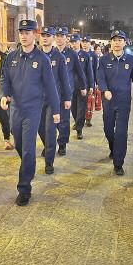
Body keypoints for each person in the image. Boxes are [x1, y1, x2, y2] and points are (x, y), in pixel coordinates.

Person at [0, 20, 60, 206]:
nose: (24, 36)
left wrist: (56, 110)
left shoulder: (42, 59)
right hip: (15, 109)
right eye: (21, 32)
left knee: (27, 148)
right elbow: (4, 79)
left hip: (33, 110)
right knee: (19, 144)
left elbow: (50, 86)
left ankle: (24, 188)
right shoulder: (11, 57)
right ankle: (29, 164)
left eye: (27, 32)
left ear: (35, 34)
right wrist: (3, 95)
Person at [98, 30, 133, 176]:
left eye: (120, 40)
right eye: (114, 40)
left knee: (121, 133)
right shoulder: (104, 60)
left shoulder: (131, 60)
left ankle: (118, 163)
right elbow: (100, 77)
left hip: (124, 102)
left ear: (125, 42)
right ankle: (113, 148)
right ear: (110, 43)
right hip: (108, 101)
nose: (117, 43)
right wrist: (105, 90)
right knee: (108, 130)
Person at [38, 27, 72, 174]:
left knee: (50, 130)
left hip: (53, 100)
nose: (45, 38)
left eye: (48, 35)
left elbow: (64, 79)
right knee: (40, 129)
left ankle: (49, 162)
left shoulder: (59, 57)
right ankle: (48, 146)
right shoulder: (35, 55)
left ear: (52, 38)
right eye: (43, 35)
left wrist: (67, 98)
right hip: (37, 100)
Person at [54, 27, 86, 155]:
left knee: (64, 120)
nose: (59, 38)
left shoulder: (72, 54)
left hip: (66, 92)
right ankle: (49, 143)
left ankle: (62, 144)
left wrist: (83, 87)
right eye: (57, 36)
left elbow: (79, 71)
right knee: (48, 121)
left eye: (62, 36)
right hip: (51, 92)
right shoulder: (50, 52)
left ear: (66, 38)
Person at [70, 34, 94, 140]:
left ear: (79, 42)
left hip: (83, 86)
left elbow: (89, 71)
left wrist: (91, 85)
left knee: (81, 108)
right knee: (73, 108)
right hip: (70, 86)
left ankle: (79, 129)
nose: (74, 44)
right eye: (72, 42)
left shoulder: (85, 55)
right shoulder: (68, 54)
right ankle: (77, 122)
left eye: (75, 42)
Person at [82, 35, 98, 127]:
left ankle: (88, 119)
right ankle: (80, 120)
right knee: (80, 103)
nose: (85, 44)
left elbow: (95, 70)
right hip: (80, 83)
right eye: (83, 42)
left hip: (89, 82)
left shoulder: (93, 55)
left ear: (90, 43)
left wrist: (95, 83)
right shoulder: (78, 54)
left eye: (86, 42)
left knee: (89, 101)